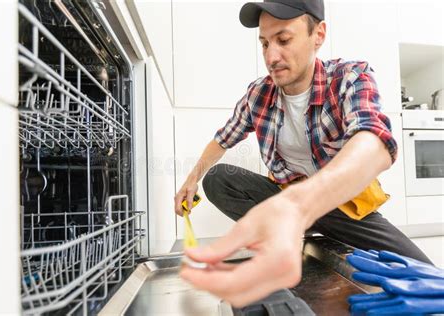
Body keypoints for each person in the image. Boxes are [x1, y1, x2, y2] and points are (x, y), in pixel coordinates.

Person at [174, 0, 432, 308]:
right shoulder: (258, 94)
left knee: (427, 278)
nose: (271, 56)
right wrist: (191, 180)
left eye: (283, 40)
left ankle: (301, 225)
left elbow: (374, 140)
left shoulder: (350, 76)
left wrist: (300, 206)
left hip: (344, 208)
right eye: (265, 43)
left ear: (318, 35)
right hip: (288, 201)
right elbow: (223, 138)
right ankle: (294, 230)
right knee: (219, 179)